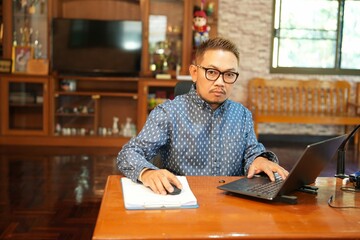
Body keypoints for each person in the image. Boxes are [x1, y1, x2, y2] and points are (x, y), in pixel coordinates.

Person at [117, 37, 289, 195]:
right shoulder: (168, 113)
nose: (220, 82)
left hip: (231, 204)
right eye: (212, 72)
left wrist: (259, 159)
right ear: (194, 73)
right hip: (184, 201)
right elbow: (129, 153)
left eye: (229, 74)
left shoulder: (242, 114)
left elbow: (252, 152)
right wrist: (147, 172)